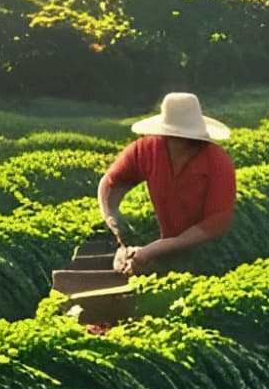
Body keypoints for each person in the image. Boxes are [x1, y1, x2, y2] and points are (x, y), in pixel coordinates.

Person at [99, 91, 237, 275]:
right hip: (170, 238)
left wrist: (156, 249)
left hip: (212, 248)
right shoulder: (148, 149)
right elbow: (111, 183)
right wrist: (114, 222)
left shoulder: (217, 162)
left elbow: (216, 223)